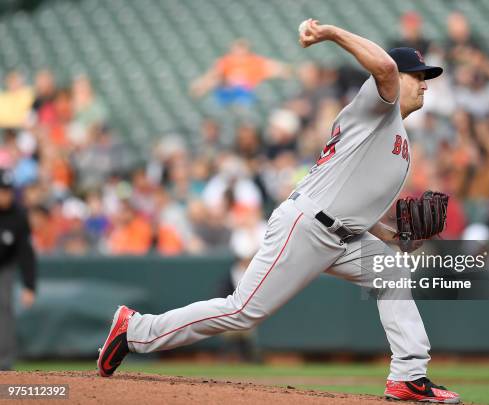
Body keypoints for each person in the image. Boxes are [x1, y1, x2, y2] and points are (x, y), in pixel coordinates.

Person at [97, 20, 459, 403]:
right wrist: (332, 33)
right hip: (306, 225)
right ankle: (135, 329)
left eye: (427, 77)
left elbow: (357, 209)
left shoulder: (399, 141)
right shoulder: (377, 104)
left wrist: (395, 237)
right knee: (242, 311)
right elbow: (384, 67)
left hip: (344, 236)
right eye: (417, 75)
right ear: (395, 77)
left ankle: (409, 376)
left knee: (393, 271)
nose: (424, 83)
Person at [0, 168, 37, 370]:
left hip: (4, 266)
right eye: (2, 190)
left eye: (8, 190)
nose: (5, 194)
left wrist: (29, 285)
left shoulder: (18, 215)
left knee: (4, 308)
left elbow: (26, 253)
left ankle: (3, 364)